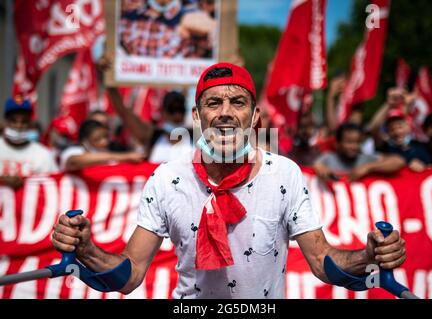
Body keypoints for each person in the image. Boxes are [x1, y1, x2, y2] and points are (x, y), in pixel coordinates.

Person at [51, 62, 406, 299]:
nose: (224, 113)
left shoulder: (284, 173)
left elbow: (323, 262)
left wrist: (369, 256)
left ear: (253, 117)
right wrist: (85, 249)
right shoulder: (167, 178)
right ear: (196, 116)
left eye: (237, 102)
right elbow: (128, 275)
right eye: (213, 102)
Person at [313, 123, 406, 182]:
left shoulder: (366, 159)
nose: (354, 146)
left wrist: (368, 167)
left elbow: (399, 161)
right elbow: (317, 165)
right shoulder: (328, 158)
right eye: (349, 142)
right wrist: (323, 170)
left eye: (357, 142)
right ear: (337, 144)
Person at [0, 96, 58, 189]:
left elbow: (53, 185)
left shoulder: (43, 154)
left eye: (24, 121)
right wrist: (2, 180)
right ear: (5, 122)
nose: (18, 125)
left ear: (30, 123)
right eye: (13, 121)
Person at [60, 119, 144, 172]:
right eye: (97, 139)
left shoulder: (111, 151)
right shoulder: (74, 151)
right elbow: (73, 162)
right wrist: (123, 157)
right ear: (84, 141)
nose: (104, 142)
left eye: (106, 137)